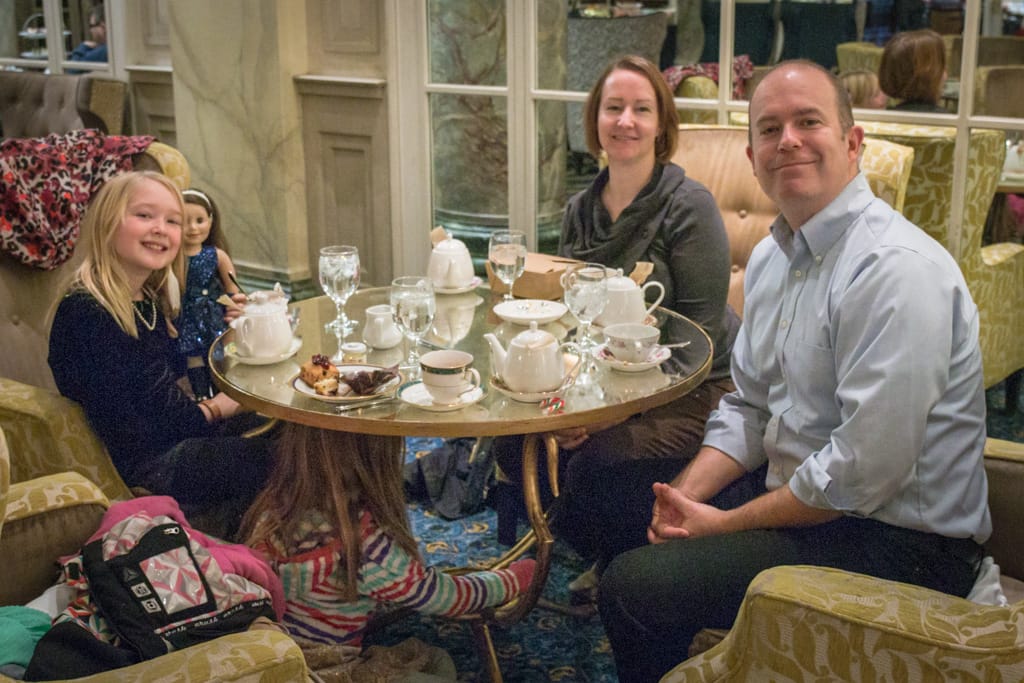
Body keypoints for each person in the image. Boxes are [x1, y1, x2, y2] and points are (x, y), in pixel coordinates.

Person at [598, 60, 991, 683]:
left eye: (809, 122)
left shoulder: (895, 270)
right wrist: (688, 497)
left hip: (899, 543)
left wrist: (724, 525)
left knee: (632, 588)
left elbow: (860, 477)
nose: (788, 140)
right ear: (753, 157)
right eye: (769, 128)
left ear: (852, 143)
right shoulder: (774, 261)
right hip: (804, 492)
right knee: (601, 493)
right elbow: (749, 407)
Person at [494, 54, 739, 589]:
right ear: (596, 122)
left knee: (599, 458)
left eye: (641, 109)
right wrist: (571, 402)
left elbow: (697, 346)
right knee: (513, 435)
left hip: (699, 387)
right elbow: (570, 325)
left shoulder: (688, 207)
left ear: (661, 125)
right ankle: (583, 543)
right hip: (608, 381)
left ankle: (620, 562)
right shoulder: (580, 209)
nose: (625, 121)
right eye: (613, 108)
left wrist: (606, 419)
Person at [48, 171, 271, 540]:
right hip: (145, 466)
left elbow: (178, 375)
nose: (160, 229)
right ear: (108, 222)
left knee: (299, 430)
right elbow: (164, 422)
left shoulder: (145, 299)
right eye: (144, 215)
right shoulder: (89, 312)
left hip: (171, 439)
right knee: (290, 459)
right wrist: (226, 405)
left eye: (173, 221)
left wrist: (231, 328)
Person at [239, 423, 535, 676]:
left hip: (269, 654)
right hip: (327, 669)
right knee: (439, 665)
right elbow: (443, 596)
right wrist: (510, 581)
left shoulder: (271, 511)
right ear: (380, 461)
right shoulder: (368, 547)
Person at [176, 188, 239, 399]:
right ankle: (202, 394)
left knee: (218, 353)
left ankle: (225, 390)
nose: (193, 228)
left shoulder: (216, 256)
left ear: (211, 221)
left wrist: (234, 308)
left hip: (213, 314)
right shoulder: (173, 258)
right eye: (185, 221)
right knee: (193, 356)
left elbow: (232, 288)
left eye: (200, 220)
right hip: (186, 316)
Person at [878, 29, 948, 113]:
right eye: (941, 68)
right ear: (928, 74)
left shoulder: (885, 119)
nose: (946, 74)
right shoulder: (947, 122)